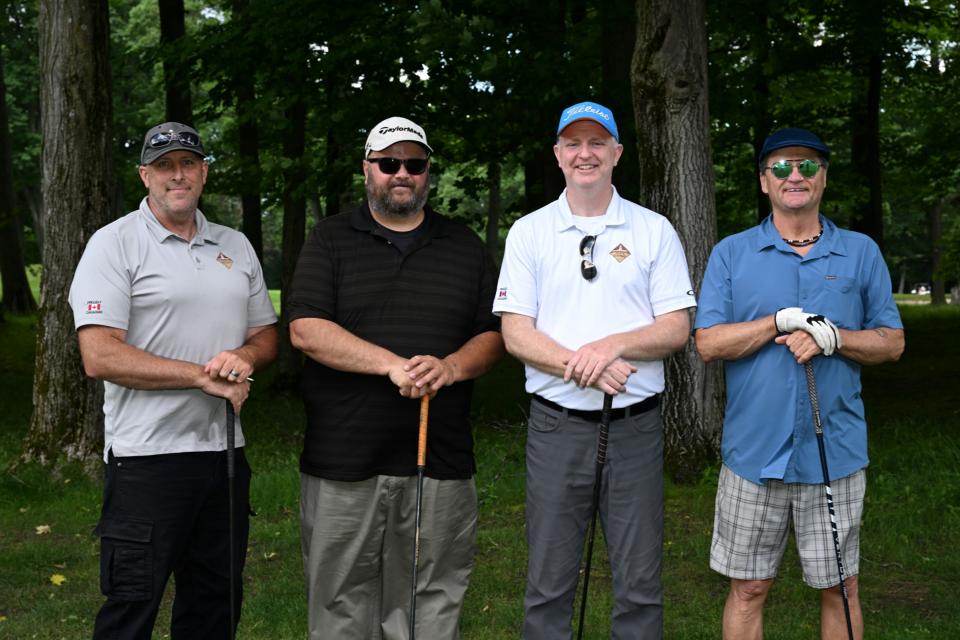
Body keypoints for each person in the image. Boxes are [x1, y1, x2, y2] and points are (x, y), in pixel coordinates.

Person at [287, 116, 504, 639]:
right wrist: (391, 365)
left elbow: (496, 335)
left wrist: (450, 367)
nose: (401, 173)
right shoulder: (331, 238)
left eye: (414, 163)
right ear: (367, 170)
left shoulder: (464, 245)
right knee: (340, 605)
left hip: (440, 459)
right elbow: (306, 329)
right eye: (389, 163)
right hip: (343, 460)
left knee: (429, 603)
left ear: (427, 172)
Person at [493, 101, 696, 639]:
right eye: (574, 144)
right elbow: (516, 333)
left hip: (635, 426)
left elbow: (676, 327)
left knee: (639, 584)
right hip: (557, 426)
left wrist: (611, 345)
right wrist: (583, 366)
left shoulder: (654, 230)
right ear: (558, 156)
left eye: (597, 143)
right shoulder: (529, 232)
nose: (586, 154)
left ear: (616, 153)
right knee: (549, 581)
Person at [69, 121, 279, 640]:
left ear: (204, 172)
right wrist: (201, 377)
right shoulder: (113, 243)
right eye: (164, 166)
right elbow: (98, 356)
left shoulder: (235, 245)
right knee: (131, 609)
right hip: (146, 460)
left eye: (187, 164)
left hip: (223, 456)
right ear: (145, 175)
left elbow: (266, 335)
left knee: (215, 606)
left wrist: (244, 357)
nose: (177, 175)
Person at [694, 127, 905, 640]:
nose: (795, 175)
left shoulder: (859, 252)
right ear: (764, 181)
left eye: (808, 166)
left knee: (841, 587)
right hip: (752, 454)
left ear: (823, 178)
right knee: (748, 588)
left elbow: (892, 342)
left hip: (835, 452)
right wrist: (778, 323)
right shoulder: (732, 253)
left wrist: (836, 338)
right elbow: (708, 343)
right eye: (782, 167)